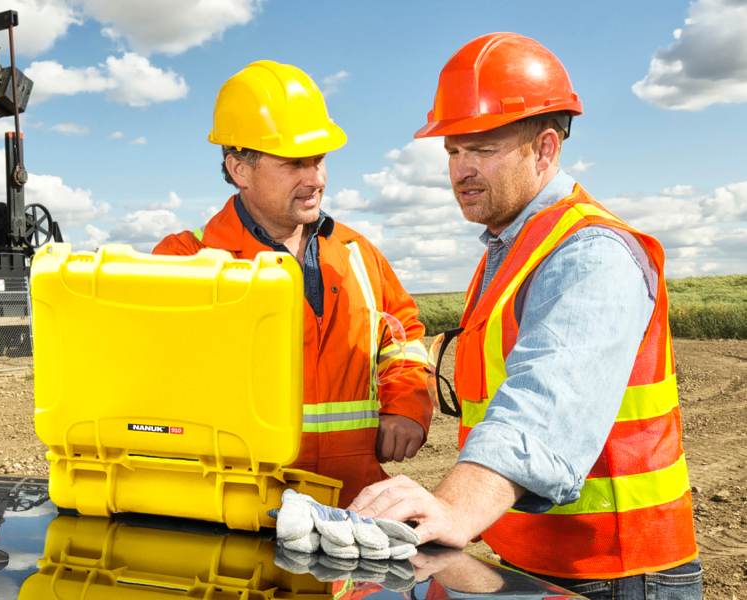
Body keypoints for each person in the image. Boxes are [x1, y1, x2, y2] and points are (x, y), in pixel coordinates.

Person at [348, 33, 701, 599]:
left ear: (544, 149)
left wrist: (456, 508)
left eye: (482, 149)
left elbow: (547, 399)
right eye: (452, 151)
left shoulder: (590, 252)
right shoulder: (509, 251)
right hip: (534, 562)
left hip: (618, 575)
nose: (461, 169)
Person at [154, 61, 433, 507]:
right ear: (240, 169)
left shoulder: (357, 252)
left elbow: (404, 338)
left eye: (319, 160)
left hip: (354, 508)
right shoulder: (185, 262)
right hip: (243, 515)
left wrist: (406, 405)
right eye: (295, 164)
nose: (316, 179)